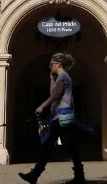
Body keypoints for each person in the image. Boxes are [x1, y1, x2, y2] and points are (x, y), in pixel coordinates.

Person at [19, 52, 88, 184]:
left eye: (51, 64)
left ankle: (35, 174)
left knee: (51, 146)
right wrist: (51, 78)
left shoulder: (63, 77)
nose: (50, 66)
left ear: (58, 64)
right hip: (61, 116)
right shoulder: (61, 77)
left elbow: (55, 95)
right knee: (67, 147)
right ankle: (79, 177)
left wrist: (42, 106)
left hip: (62, 117)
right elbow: (54, 92)